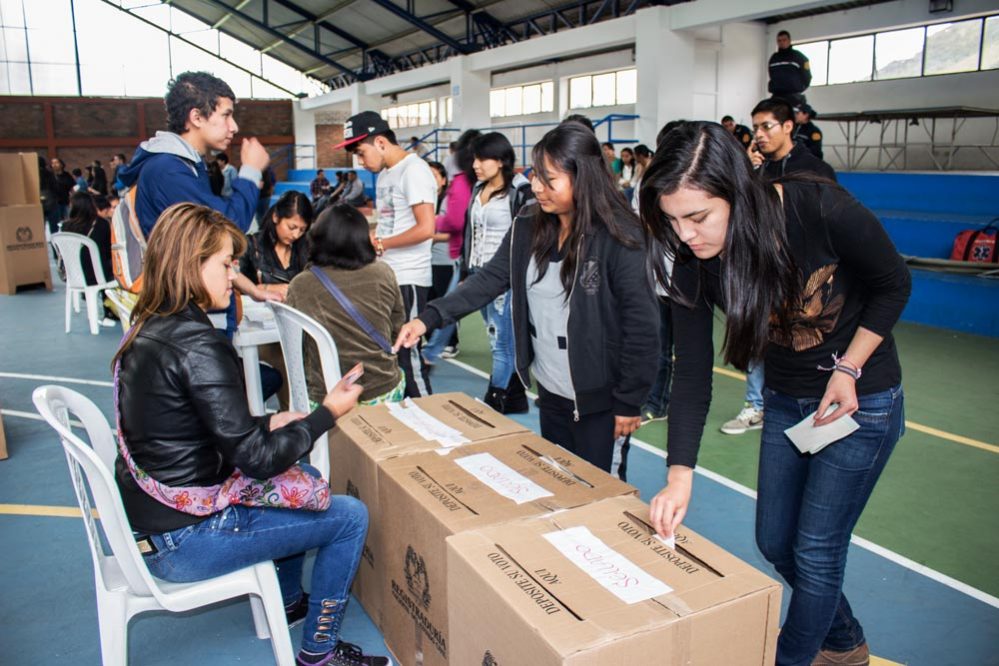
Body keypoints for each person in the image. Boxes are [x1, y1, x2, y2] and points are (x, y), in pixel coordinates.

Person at [642, 121, 910, 666]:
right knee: (774, 542)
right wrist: (678, 477)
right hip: (789, 402)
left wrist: (850, 366)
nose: (686, 234)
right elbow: (691, 371)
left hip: (861, 400)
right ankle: (842, 640)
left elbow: (893, 282)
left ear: (738, 193)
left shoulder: (818, 208)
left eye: (698, 217)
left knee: (814, 551)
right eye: (672, 220)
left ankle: (794, 655)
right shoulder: (691, 258)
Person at [112, 203, 388, 666]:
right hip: (187, 540)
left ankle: (288, 602)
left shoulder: (151, 326)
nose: (233, 275)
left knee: (288, 484)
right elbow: (257, 460)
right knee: (349, 516)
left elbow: (193, 429)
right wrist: (326, 414)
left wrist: (269, 422)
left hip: (154, 522)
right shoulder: (198, 345)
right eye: (224, 264)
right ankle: (319, 651)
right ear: (190, 265)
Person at [395, 123, 658, 478]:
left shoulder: (621, 238)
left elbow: (642, 327)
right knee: (562, 481)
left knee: (600, 491)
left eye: (549, 180)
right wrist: (428, 317)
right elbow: (489, 278)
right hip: (551, 390)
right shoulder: (529, 224)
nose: (536, 187)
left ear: (583, 178)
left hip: (601, 401)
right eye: (535, 176)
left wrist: (629, 401)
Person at [117, 70, 273, 338]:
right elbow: (225, 230)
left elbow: (207, 248)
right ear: (196, 117)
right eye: (226, 115)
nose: (233, 126)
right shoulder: (167, 169)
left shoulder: (183, 166)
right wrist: (250, 172)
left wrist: (252, 289)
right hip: (186, 319)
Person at [337, 110, 437, 398]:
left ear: (380, 142)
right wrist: (373, 241)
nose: (360, 160)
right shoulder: (384, 176)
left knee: (408, 354)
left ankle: (429, 416)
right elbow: (389, 222)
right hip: (387, 274)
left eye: (360, 152)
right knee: (390, 354)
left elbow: (426, 228)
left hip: (408, 276)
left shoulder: (414, 170)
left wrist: (383, 244)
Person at [286, 204, 406, 406]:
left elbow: (296, 346)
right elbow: (396, 327)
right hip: (382, 388)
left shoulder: (301, 284)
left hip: (327, 397)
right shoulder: (384, 272)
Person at [456, 131, 533, 413]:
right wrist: (466, 270)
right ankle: (515, 397)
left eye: (481, 158)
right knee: (496, 337)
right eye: (473, 158)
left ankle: (496, 399)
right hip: (478, 273)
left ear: (500, 160)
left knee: (502, 342)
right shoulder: (479, 188)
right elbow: (470, 232)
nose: (475, 164)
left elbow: (527, 237)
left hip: (504, 277)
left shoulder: (520, 191)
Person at [422, 129, 481, 364]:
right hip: (468, 256)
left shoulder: (461, 184)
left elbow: (456, 221)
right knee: (451, 302)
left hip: (464, 257)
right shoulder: (475, 184)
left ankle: (432, 350)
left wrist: (433, 223)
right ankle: (432, 349)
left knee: (451, 303)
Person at [236, 190, 313, 302]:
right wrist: (262, 289)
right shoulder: (250, 245)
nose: (296, 235)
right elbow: (233, 281)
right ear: (276, 217)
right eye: (292, 227)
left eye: (302, 230)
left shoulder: (306, 249)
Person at [60, 191, 116, 326]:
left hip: (74, 275)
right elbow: (109, 252)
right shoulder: (101, 224)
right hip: (98, 276)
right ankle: (111, 309)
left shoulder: (66, 226)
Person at [749, 98, 836, 183]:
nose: (758, 135)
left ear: (787, 127)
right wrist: (746, 169)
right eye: (755, 128)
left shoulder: (817, 171)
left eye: (766, 126)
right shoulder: (758, 167)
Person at [426, 160, 461, 358]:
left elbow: (455, 232)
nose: (430, 180)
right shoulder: (424, 200)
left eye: (434, 175)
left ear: (443, 180)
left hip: (445, 259)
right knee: (429, 302)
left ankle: (451, 343)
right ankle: (432, 341)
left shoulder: (449, 200)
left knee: (446, 302)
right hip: (427, 259)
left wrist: (429, 237)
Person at [768, 30, 812, 107]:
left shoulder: (798, 56)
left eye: (784, 40)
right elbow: (771, 74)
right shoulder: (774, 58)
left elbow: (807, 76)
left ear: (789, 41)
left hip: (793, 96)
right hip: (777, 96)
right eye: (779, 40)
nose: (781, 42)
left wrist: (798, 88)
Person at [50, 157, 76, 224]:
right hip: (54, 203)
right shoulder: (50, 176)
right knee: (56, 222)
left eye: (56, 162)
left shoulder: (67, 175)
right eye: (53, 163)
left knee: (67, 221)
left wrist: (72, 200)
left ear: (61, 164)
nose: (54, 164)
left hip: (65, 202)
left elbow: (72, 188)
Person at [630, 144, 652, 213]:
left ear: (640, 156)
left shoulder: (650, 166)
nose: (633, 157)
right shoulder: (641, 166)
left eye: (635, 155)